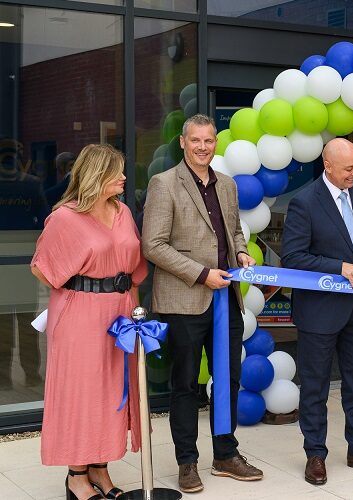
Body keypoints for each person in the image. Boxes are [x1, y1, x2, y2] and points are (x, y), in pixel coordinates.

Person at [142, 114, 261, 494]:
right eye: (196, 141)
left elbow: (234, 232)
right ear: (183, 142)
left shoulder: (226, 184)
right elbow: (153, 246)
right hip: (184, 299)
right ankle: (186, 462)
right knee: (186, 384)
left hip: (226, 297)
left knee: (228, 380)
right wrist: (200, 273)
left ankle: (225, 455)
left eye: (209, 141)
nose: (203, 147)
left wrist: (241, 254)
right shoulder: (164, 184)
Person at [31, 143, 148, 500]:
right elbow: (41, 268)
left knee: (113, 392)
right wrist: (77, 286)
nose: (125, 177)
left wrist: (137, 317)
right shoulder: (65, 217)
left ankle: (100, 467)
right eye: (117, 171)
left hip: (121, 310)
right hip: (80, 314)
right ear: (98, 175)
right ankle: (76, 476)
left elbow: (133, 269)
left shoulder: (123, 211)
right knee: (82, 394)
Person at [281, 138, 353, 486]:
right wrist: (340, 267)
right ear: (327, 165)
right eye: (349, 168)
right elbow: (294, 257)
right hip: (319, 312)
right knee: (315, 386)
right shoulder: (304, 202)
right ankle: (315, 454)